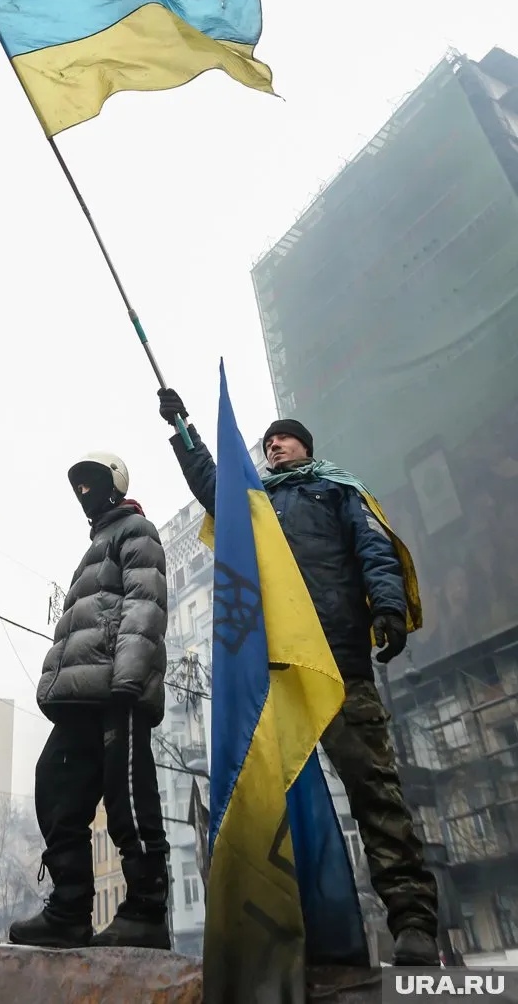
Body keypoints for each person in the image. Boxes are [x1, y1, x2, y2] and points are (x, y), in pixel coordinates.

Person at [157, 388, 440, 967]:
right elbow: (214, 486)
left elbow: (375, 550)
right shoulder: (255, 501)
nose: (272, 445)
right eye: (266, 442)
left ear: (304, 445)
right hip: (276, 673)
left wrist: (387, 606)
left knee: (373, 791)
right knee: (275, 804)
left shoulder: (338, 488)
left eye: (281, 437)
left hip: (336, 662)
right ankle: (293, 931)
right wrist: (184, 428)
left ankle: (412, 922)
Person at [8, 451, 171, 950]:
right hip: (82, 694)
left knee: (126, 797)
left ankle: (146, 909)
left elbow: (145, 602)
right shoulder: (95, 545)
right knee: (55, 786)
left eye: (93, 484)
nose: (84, 494)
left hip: (117, 689)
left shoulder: (136, 531)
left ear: (116, 486)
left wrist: (129, 676)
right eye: (78, 487)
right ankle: (70, 910)